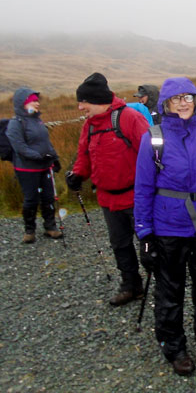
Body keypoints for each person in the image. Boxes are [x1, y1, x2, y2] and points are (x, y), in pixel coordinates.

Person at [134, 77, 196, 377]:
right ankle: (174, 347)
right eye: (176, 98)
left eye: (189, 97)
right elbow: (142, 189)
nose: (183, 102)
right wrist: (145, 235)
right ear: (165, 103)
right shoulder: (153, 139)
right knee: (171, 290)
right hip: (170, 227)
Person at [65, 73, 150, 305]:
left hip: (136, 198)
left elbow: (151, 155)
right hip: (107, 199)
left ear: (97, 100)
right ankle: (131, 286)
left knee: (149, 245)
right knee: (120, 245)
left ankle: (163, 285)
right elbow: (84, 154)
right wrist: (78, 174)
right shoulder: (89, 125)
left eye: (83, 102)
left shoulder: (129, 118)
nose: (80, 107)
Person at [6, 88, 62, 243]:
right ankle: (29, 230)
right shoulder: (15, 124)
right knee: (31, 199)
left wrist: (55, 158)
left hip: (45, 167)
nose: (37, 103)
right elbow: (20, 148)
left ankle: (50, 227)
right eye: (33, 100)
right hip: (27, 169)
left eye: (37, 100)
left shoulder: (37, 120)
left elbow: (46, 142)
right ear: (22, 103)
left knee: (48, 198)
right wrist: (39, 157)